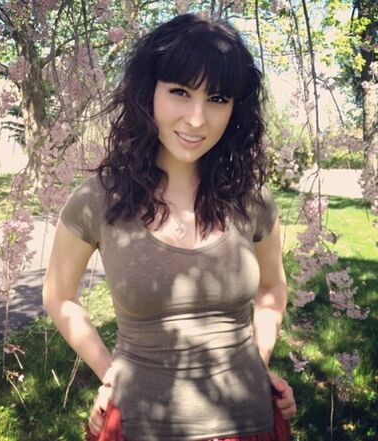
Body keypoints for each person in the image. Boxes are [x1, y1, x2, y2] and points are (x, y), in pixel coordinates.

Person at [43, 13, 296, 441]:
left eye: (217, 98)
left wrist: (260, 359)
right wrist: (108, 372)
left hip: (250, 423)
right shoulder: (99, 199)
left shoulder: (251, 199)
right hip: (139, 425)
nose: (197, 119)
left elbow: (272, 288)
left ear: (235, 108)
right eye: (180, 91)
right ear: (149, 92)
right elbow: (58, 295)